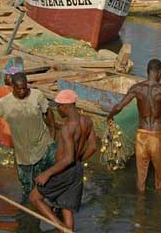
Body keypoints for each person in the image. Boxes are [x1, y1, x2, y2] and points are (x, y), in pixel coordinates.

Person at [107, 59, 161, 193]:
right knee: (160, 175)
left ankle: (139, 209)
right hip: (157, 136)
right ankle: (157, 209)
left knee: (141, 177)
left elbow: (119, 106)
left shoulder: (137, 88)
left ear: (147, 71)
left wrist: (109, 117)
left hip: (141, 135)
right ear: (159, 72)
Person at [29, 89, 97, 232]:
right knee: (66, 208)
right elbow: (93, 147)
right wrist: (78, 161)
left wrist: (47, 173)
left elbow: (67, 158)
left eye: (58, 106)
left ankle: (61, 228)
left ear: (65, 106)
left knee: (34, 197)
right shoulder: (87, 121)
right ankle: (66, 230)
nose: (57, 109)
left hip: (63, 170)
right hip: (75, 169)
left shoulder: (67, 128)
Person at [0, 72, 57, 201]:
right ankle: (30, 211)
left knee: (47, 180)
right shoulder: (5, 102)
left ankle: (49, 206)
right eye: (19, 88)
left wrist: (53, 129)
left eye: (25, 87)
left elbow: (47, 110)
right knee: (27, 186)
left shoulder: (37, 95)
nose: (23, 91)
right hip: (23, 153)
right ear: (13, 86)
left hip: (43, 145)